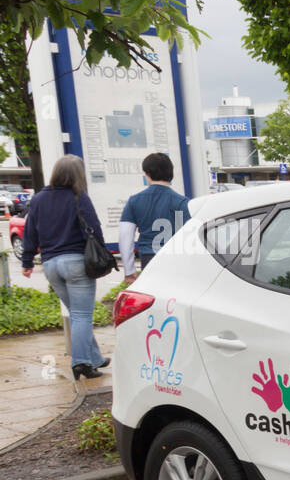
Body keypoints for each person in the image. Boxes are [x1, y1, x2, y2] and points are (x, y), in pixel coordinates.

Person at [20, 155, 110, 380]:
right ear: (78, 175)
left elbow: (30, 231)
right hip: (76, 263)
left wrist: (27, 261)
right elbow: (94, 228)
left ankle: (95, 358)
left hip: (50, 265)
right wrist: (102, 254)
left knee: (77, 314)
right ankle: (81, 362)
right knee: (81, 315)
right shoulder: (79, 197)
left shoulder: (39, 199)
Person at [119, 152, 190, 282]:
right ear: (171, 174)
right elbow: (184, 237)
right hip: (174, 258)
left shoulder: (134, 201)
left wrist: (129, 271)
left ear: (147, 174)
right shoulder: (180, 202)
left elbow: (125, 236)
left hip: (148, 258)